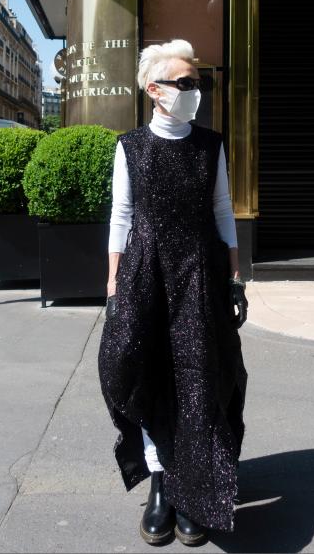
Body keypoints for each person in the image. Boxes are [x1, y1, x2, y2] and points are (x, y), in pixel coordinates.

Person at [98, 39, 249, 546]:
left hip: (200, 276)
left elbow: (224, 212)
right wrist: (114, 284)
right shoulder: (130, 147)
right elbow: (121, 217)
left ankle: (195, 487)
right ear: (153, 90)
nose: (193, 91)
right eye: (183, 83)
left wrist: (234, 278)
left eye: (196, 83)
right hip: (145, 273)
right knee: (142, 370)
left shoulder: (211, 146)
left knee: (202, 375)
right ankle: (160, 482)